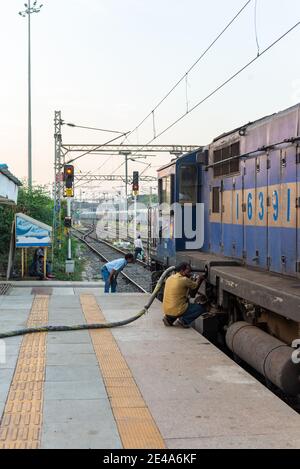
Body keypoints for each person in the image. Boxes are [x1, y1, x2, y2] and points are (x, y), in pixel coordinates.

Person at [162, 262, 206, 328]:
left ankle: (169, 319)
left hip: (166, 310)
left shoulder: (169, 278)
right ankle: (184, 320)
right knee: (200, 309)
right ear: (182, 271)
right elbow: (195, 286)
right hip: (177, 310)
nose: (190, 272)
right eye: (188, 270)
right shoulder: (184, 280)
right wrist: (199, 278)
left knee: (180, 303)